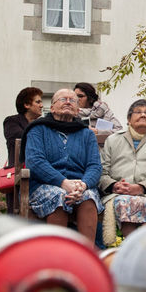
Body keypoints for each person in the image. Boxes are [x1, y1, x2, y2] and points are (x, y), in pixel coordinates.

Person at [25, 88, 102, 239]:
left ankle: (86, 257)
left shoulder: (87, 134)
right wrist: (63, 183)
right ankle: (57, 256)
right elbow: (35, 162)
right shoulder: (38, 130)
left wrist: (83, 185)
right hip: (44, 185)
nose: (68, 102)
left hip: (79, 185)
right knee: (59, 196)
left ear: (78, 110)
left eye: (72, 100)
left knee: (88, 197)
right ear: (52, 108)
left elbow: (95, 166)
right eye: (62, 99)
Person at [99, 99, 146, 244]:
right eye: (138, 112)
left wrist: (142, 187)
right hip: (119, 193)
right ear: (129, 119)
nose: (143, 115)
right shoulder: (113, 140)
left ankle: (140, 249)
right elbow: (102, 172)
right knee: (124, 202)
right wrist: (114, 185)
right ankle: (138, 249)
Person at [3, 86, 43, 164]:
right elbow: (21, 138)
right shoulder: (11, 121)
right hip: (20, 171)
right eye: (38, 102)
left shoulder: (41, 124)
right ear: (27, 105)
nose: (41, 105)